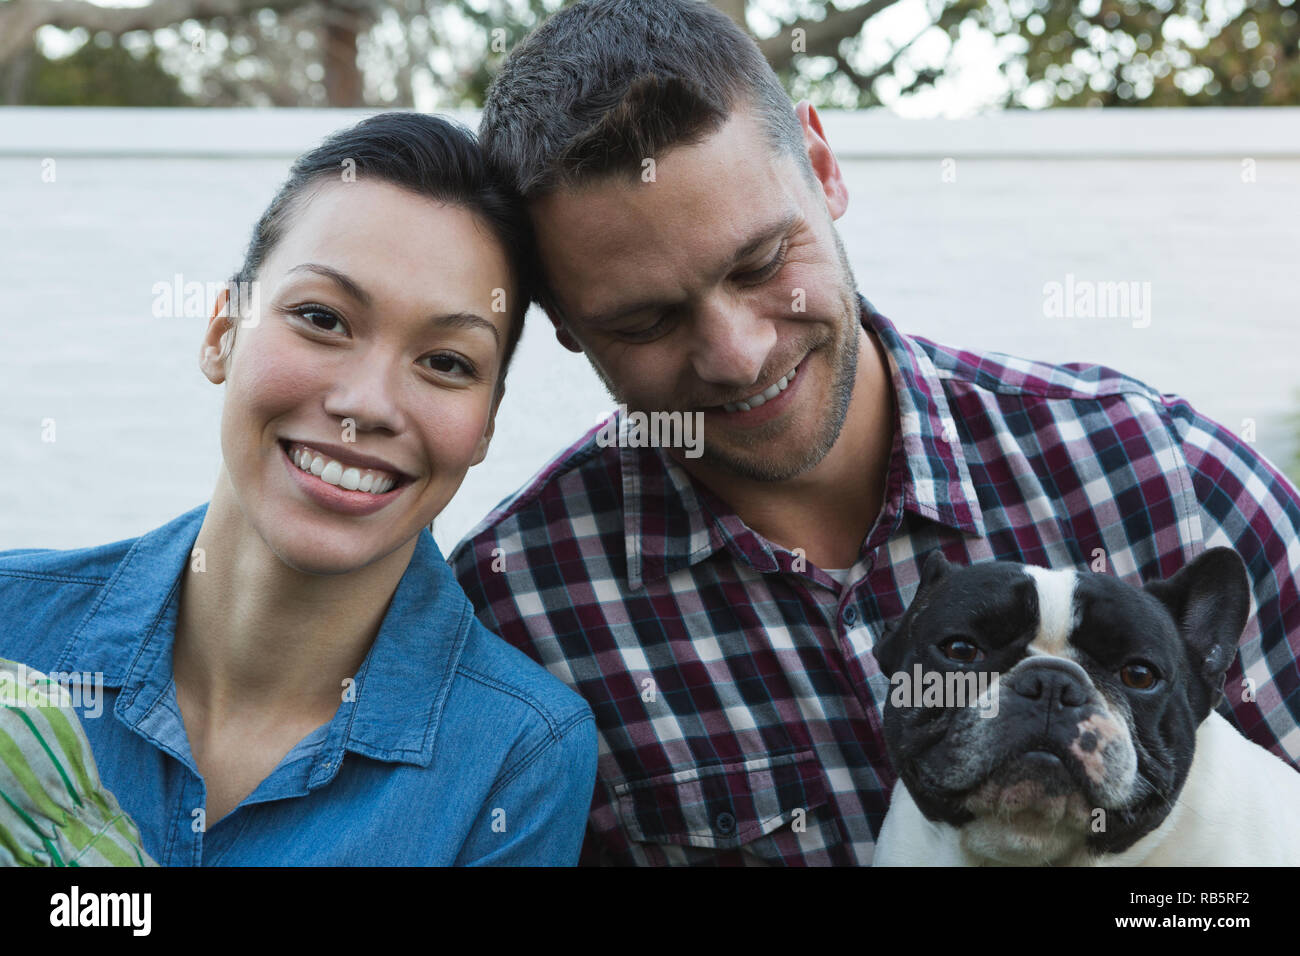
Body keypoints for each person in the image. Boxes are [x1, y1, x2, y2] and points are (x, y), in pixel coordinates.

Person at [450, 0, 1300, 865]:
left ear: (822, 167)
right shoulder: (516, 610)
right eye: (646, 321)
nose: (737, 355)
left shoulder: (1169, 475)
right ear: (560, 320)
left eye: (763, 263)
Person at [0, 111, 597, 866]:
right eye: (322, 318)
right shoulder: (10, 625)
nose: (367, 406)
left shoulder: (520, 758)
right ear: (222, 332)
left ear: (484, 426)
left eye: (447, 362)